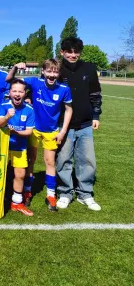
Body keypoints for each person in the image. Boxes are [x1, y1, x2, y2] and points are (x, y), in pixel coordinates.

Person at [6, 59, 73, 211]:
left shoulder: (64, 89)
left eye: (55, 72)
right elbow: (10, 79)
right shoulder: (35, 82)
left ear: (59, 73)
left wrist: (62, 131)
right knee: (31, 160)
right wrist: (15, 67)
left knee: (50, 162)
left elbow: (69, 110)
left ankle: (50, 194)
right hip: (34, 129)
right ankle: (27, 191)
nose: (52, 75)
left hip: (51, 131)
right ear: (43, 71)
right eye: (49, 71)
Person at [56, 37, 102, 211]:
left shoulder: (89, 69)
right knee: (63, 159)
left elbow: (95, 94)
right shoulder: (56, 69)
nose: (73, 55)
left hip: (85, 123)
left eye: (76, 51)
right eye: (69, 51)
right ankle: (65, 193)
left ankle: (85, 193)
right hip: (63, 124)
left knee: (87, 160)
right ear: (62, 52)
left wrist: (96, 115)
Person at [0, 79, 36, 216]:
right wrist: (7, 116)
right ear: (10, 93)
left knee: (20, 174)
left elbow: (29, 132)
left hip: (20, 148)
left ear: (25, 93)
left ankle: (17, 202)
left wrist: (15, 132)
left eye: (21, 91)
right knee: (0, 173)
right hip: (3, 147)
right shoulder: (3, 105)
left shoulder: (29, 110)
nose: (17, 94)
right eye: (14, 91)